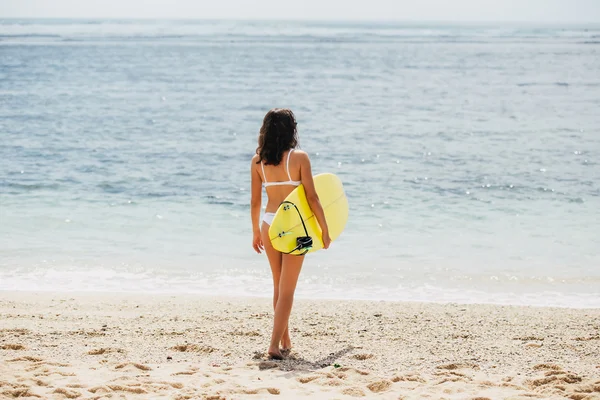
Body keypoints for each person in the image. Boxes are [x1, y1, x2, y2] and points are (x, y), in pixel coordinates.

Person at [250, 108, 331, 360]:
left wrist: (256, 231)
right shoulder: (299, 158)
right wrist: (324, 229)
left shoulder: (257, 161)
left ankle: (285, 339)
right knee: (287, 290)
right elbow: (312, 197)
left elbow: (254, 202)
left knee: (278, 284)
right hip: (295, 228)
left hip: (269, 223)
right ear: (291, 130)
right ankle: (274, 345)